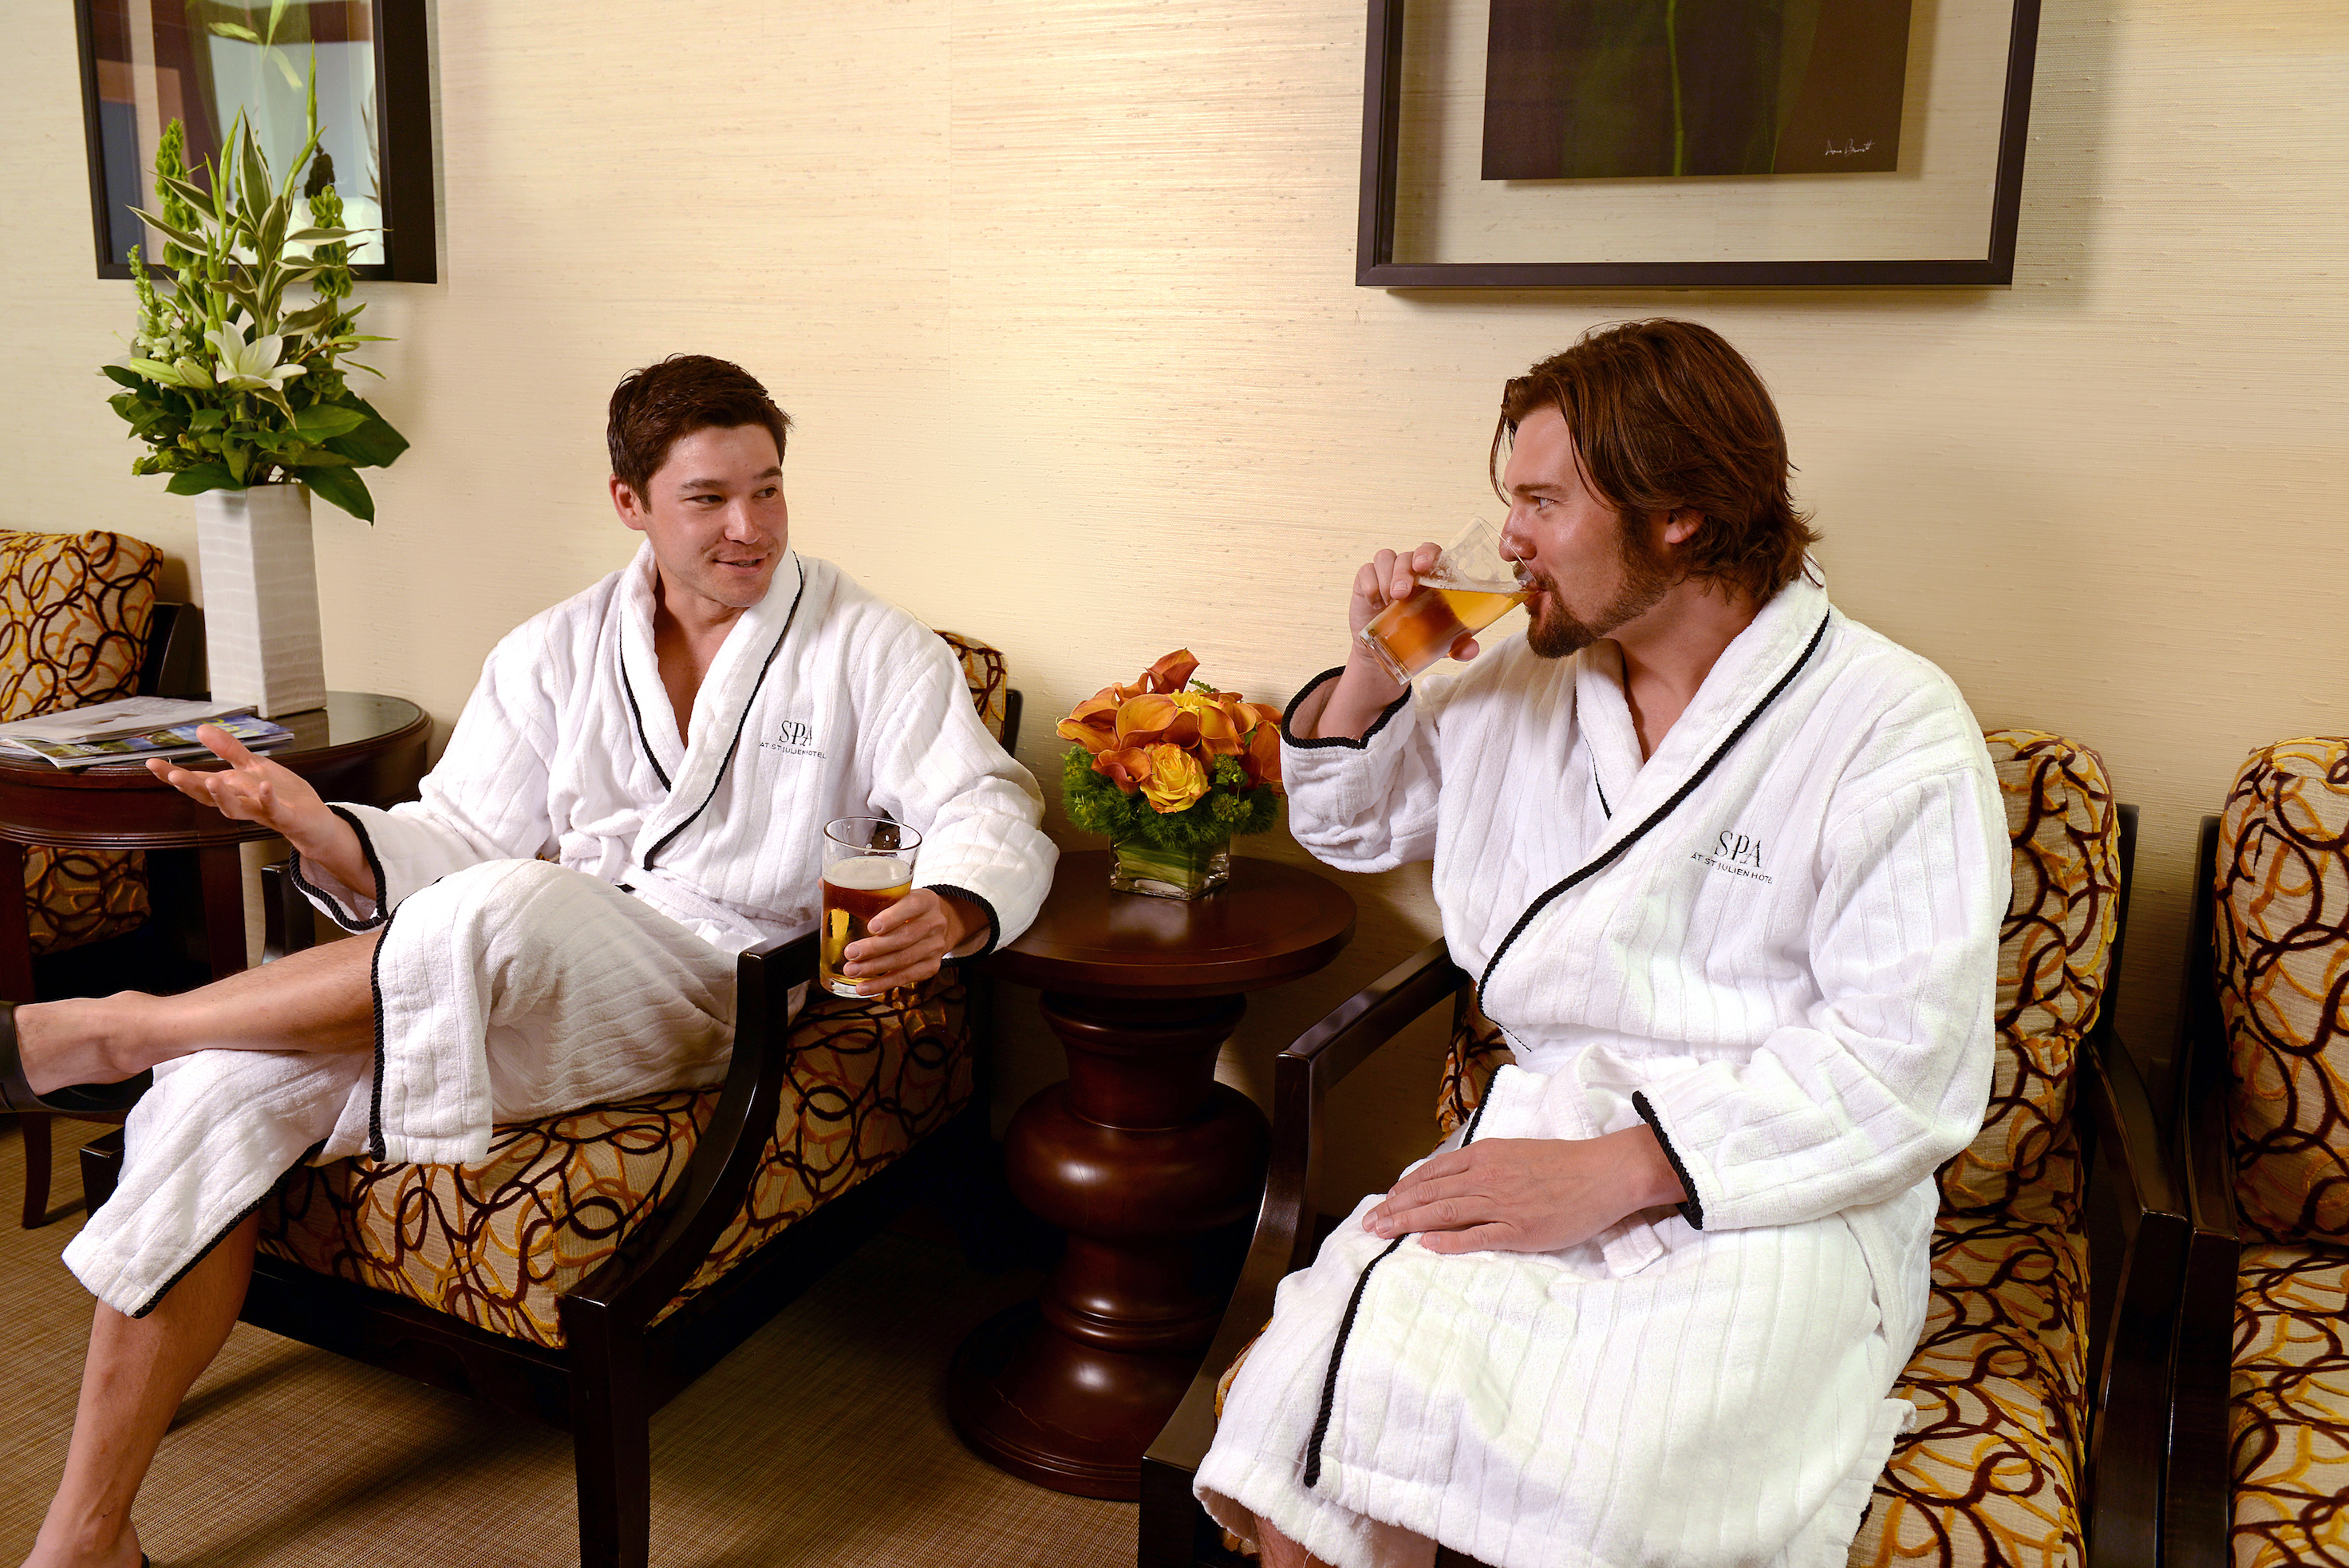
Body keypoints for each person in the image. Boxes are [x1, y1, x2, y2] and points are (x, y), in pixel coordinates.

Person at [0, 353, 1056, 1568]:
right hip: (511, 975)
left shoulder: (869, 646)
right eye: (708, 497)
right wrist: (320, 827)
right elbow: (450, 840)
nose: (750, 526)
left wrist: (960, 902)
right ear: (630, 503)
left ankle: (123, 1027)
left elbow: (985, 803)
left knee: (502, 906)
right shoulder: (555, 649)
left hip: (714, 991)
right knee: (216, 1090)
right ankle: (86, 1532)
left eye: (767, 488)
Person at [1194, 320, 2006, 1568]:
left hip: (1774, 1194)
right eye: (1505, 501)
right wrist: (1369, 670)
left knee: (1606, 1492)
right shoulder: (1516, 672)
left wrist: (1629, 1166)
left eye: (1540, 501)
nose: (1508, 537)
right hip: (1540, 1136)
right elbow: (1349, 820)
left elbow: (1905, 1066)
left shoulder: (1889, 725)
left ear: (1677, 513)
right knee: (1319, 1443)